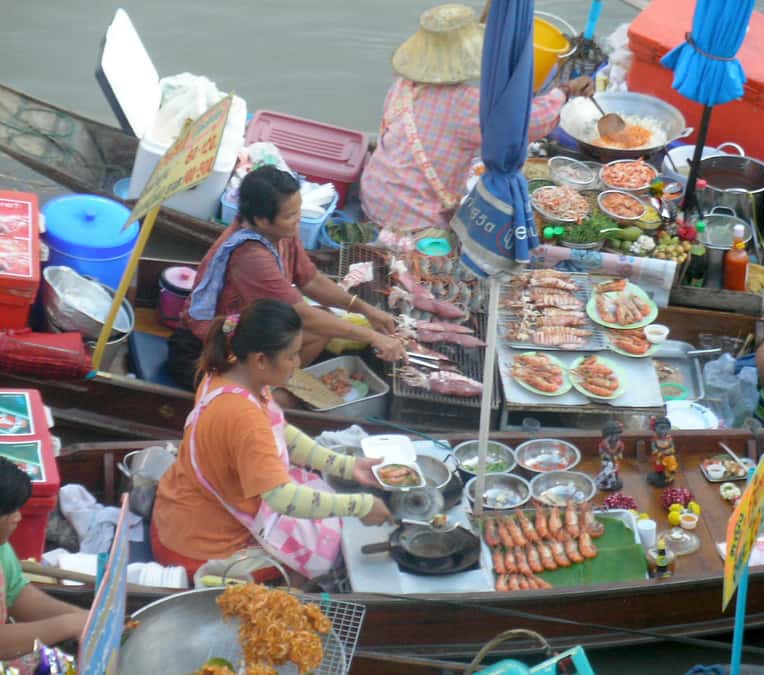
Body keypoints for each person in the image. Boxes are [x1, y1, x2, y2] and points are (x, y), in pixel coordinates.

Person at [152, 299, 393, 581]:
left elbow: (280, 431)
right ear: (261, 360)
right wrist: (359, 506)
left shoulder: (230, 373)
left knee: (321, 502)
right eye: (292, 356)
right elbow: (282, 498)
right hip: (198, 548)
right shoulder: (244, 418)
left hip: (178, 514)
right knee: (332, 552)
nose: (298, 363)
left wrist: (347, 466)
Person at [360, 3, 595, 236]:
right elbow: (527, 122)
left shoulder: (402, 85)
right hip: (410, 219)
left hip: (374, 196)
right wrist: (564, 91)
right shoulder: (464, 104)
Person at [166, 165, 404, 390]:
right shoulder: (251, 257)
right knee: (313, 329)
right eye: (291, 215)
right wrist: (372, 336)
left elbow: (310, 280)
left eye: (298, 211)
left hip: (248, 329)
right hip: (207, 350)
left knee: (325, 324)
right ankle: (271, 392)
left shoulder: (281, 232)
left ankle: (278, 381)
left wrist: (366, 310)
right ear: (261, 220)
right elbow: (301, 314)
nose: (298, 219)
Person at [0, 457, 88, 661]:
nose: (18, 518)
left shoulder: (2, 547)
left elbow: (17, 595)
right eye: (9, 512)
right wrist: (68, 625)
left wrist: (81, 617)